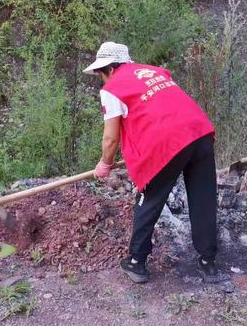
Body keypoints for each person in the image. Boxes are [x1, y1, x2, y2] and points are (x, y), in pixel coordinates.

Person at [83, 41, 218, 283]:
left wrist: (105, 163)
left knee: (149, 198)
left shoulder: (112, 87)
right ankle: (208, 261)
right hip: (200, 133)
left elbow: (111, 137)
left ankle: (136, 262)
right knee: (203, 197)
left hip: (169, 143)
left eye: (101, 75)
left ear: (110, 69)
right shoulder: (156, 72)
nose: (102, 81)